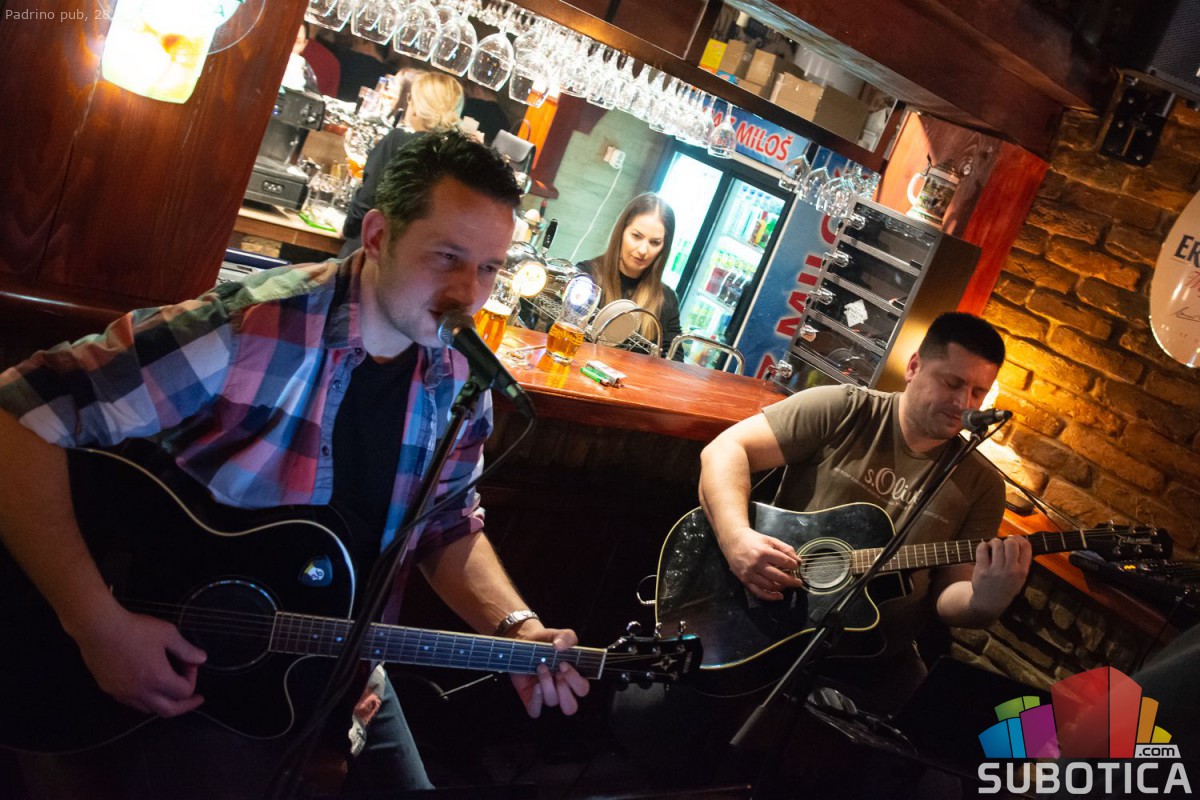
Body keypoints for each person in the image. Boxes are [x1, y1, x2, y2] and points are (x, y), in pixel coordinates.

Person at [0, 131, 588, 799]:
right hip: (186, 671)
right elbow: (17, 415)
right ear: (377, 236)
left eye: (488, 269)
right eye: (447, 256)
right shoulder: (252, 328)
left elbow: (446, 526)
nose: (467, 292)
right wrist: (95, 622)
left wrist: (516, 628)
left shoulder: (461, 375)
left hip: (343, 670)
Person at [340, 71, 465, 257]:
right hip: (420, 260)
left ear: (415, 106)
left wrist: (348, 230)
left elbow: (367, 200)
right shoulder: (459, 156)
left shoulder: (396, 141)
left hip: (372, 253)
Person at [576, 193, 682, 355]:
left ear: (664, 247)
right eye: (636, 236)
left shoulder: (666, 300)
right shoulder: (587, 276)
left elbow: (673, 360)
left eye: (655, 242)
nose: (643, 250)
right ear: (621, 232)